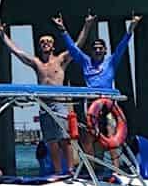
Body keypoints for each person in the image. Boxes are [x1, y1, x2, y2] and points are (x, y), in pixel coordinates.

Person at [0, 13, 93, 175]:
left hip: (59, 104)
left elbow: (77, 46)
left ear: (53, 46)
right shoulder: (37, 63)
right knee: (51, 142)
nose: (45, 44)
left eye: (48, 42)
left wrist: (87, 25)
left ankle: (69, 170)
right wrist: (2, 35)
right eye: (42, 42)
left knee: (65, 139)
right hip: (44, 106)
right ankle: (57, 172)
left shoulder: (61, 60)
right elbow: (18, 52)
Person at [59, 13, 142, 157]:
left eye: (100, 48)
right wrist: (63, 30)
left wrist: (131, 28)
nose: (97, 50)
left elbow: (122, 46)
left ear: (105, 51)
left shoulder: (110, 62)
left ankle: (116, 171)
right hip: (91, 104)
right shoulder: (85, 62)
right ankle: (92, 168)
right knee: (89, 136)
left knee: (111, 134)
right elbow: (73, 49)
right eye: (95, 48)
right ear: (91, 51)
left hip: (109, 104)